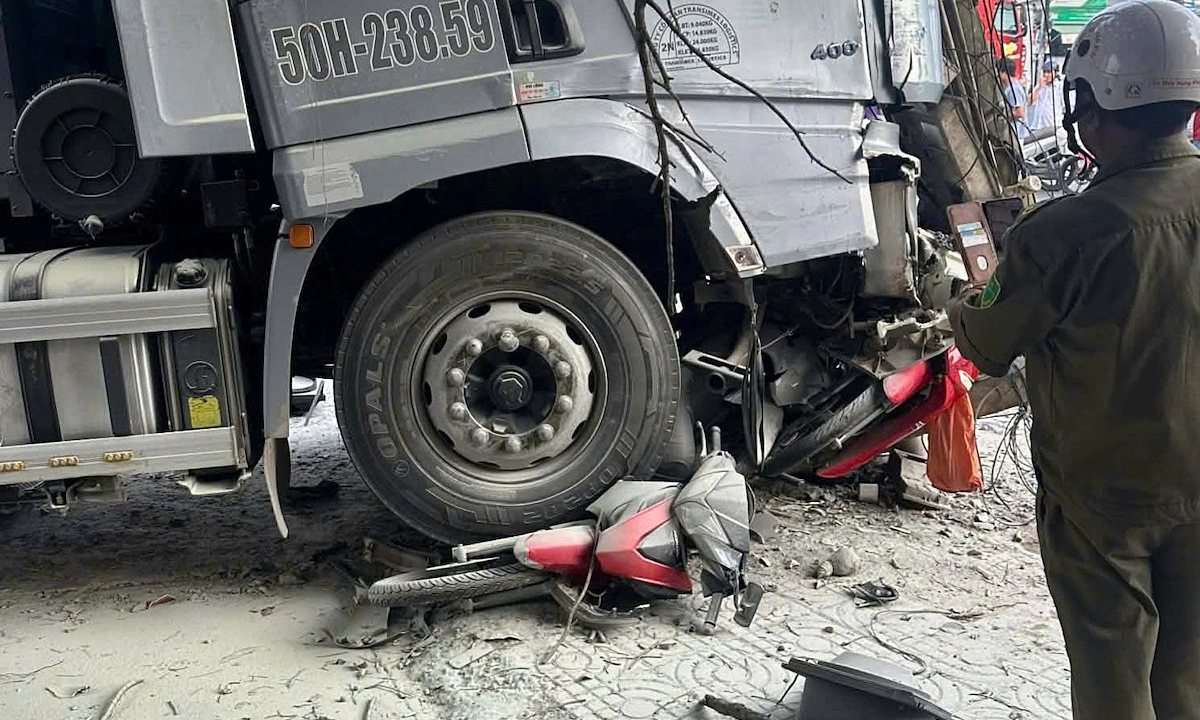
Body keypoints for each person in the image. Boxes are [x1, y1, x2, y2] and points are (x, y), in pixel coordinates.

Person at [949, 2, 1200, 718]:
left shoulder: (1064, 232)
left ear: (1093, 104)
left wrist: (962, 300)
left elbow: (987, 345)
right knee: (1185, 681)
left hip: (1103, 502)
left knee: (1113, 682)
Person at [998, 57, 1030, 139]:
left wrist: (1003, 116)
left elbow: (1019, 112)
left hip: (1016, 134)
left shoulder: (1013, 89)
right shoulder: (1012, 86)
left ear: (1004, 73)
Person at [1028, 60, 1062, 132]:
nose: (1046, 75)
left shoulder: (1059, 87)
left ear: (1055, 73)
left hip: (1051, 125)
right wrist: (1039, 87)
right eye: (1044, 72)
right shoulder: (1040, 85)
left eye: (1049, 72)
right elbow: (1029, 102)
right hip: (1037, 125)